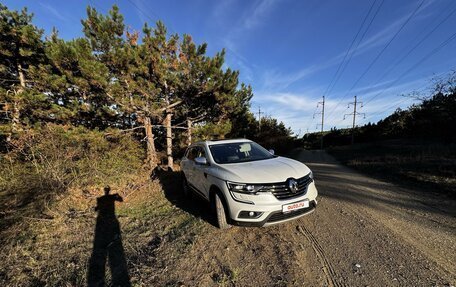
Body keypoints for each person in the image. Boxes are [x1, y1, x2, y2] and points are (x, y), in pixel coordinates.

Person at [88, 186, 130, 287]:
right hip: (108, 221)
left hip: (106, 222)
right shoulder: (109, 198)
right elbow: (120, 199)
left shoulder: (107, 198)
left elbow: (119, 199)